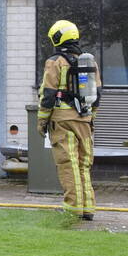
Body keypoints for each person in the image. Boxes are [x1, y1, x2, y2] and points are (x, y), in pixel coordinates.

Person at [37, 20, 102, 220]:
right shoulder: (89, 63)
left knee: (68, 163)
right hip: (85, 120)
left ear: (57, 38)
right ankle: (88, 208)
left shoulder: (55, 62)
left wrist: (41, 122)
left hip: (62, 120)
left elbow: (47, 95)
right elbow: (97, 95)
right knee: (83, 164)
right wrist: (90, 118)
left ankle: (72, 208)